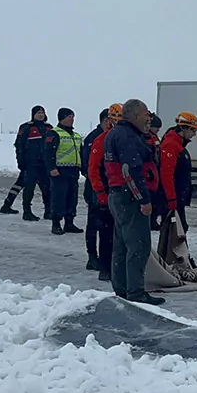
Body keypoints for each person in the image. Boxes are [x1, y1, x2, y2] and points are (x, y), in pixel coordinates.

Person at [104, 99, 164, 306]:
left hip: (118, 195)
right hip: (129, 197)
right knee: (138, 246)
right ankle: (136, 292)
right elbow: (130, 171)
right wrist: (143, 200)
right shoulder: (127, 137)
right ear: (136, 115)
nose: (149, 117)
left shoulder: (116, 134)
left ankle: (121, 288)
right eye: (146, 113)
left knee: (121, 245)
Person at [87, 104, 123, 281]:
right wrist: (100, 193)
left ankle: (117, 266)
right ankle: (105, 267)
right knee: (106, 230)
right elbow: (93, 169)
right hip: (106, 192)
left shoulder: (127, 138)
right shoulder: (101, 140)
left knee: (120, 232)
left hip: (121, 192)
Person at [44, 107, 83, 235]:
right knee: (59, 198)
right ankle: (56, 223)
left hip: (73, 171)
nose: (72, 119)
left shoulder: (76, 136)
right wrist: (52, 168)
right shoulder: (54, 133)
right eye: (69, 117)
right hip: (60, 171)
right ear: (62, 118)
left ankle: (69, 222)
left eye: (73, 116)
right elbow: (48, 152)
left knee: (72, 198)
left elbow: (80, 153)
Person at [160, 112, 197, 231]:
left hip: (177, 196)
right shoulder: (172, 145)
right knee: (175, 230)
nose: (194, 134)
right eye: (193, 131)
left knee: (178, 229)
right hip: (174, 197)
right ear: (185, 129)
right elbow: (167, 174)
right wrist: (171, 198)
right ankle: (171, 250)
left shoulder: (177, 144)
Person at [82, 108, 110, 270]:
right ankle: (92, 256)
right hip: (95, 186)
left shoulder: (111, 136)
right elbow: (88, 165)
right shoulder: (94, 138)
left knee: (105, 225)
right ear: (104, 120)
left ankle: (103, 256)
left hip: (105, 186)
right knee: (94, 223)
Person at [14, 105, 53, 221]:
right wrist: (20, 161)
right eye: (38, 113)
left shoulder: (49, 128)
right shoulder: (26, 127)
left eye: (42, 112)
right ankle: (27, 211)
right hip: (30, 164)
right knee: (29, 188)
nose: (41, 114)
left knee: (47, 189)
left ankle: (48, 211)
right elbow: (19, 145)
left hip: (44, 164)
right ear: (33, 115)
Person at [146, 114, 165, 230]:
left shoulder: (154, 138)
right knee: (152, 200)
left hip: (154, 172)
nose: (158, 129)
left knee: (155, 199)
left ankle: (153, 221)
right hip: (151, 173)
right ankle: (152, 221)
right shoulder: (148, 138)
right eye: (156, 127)